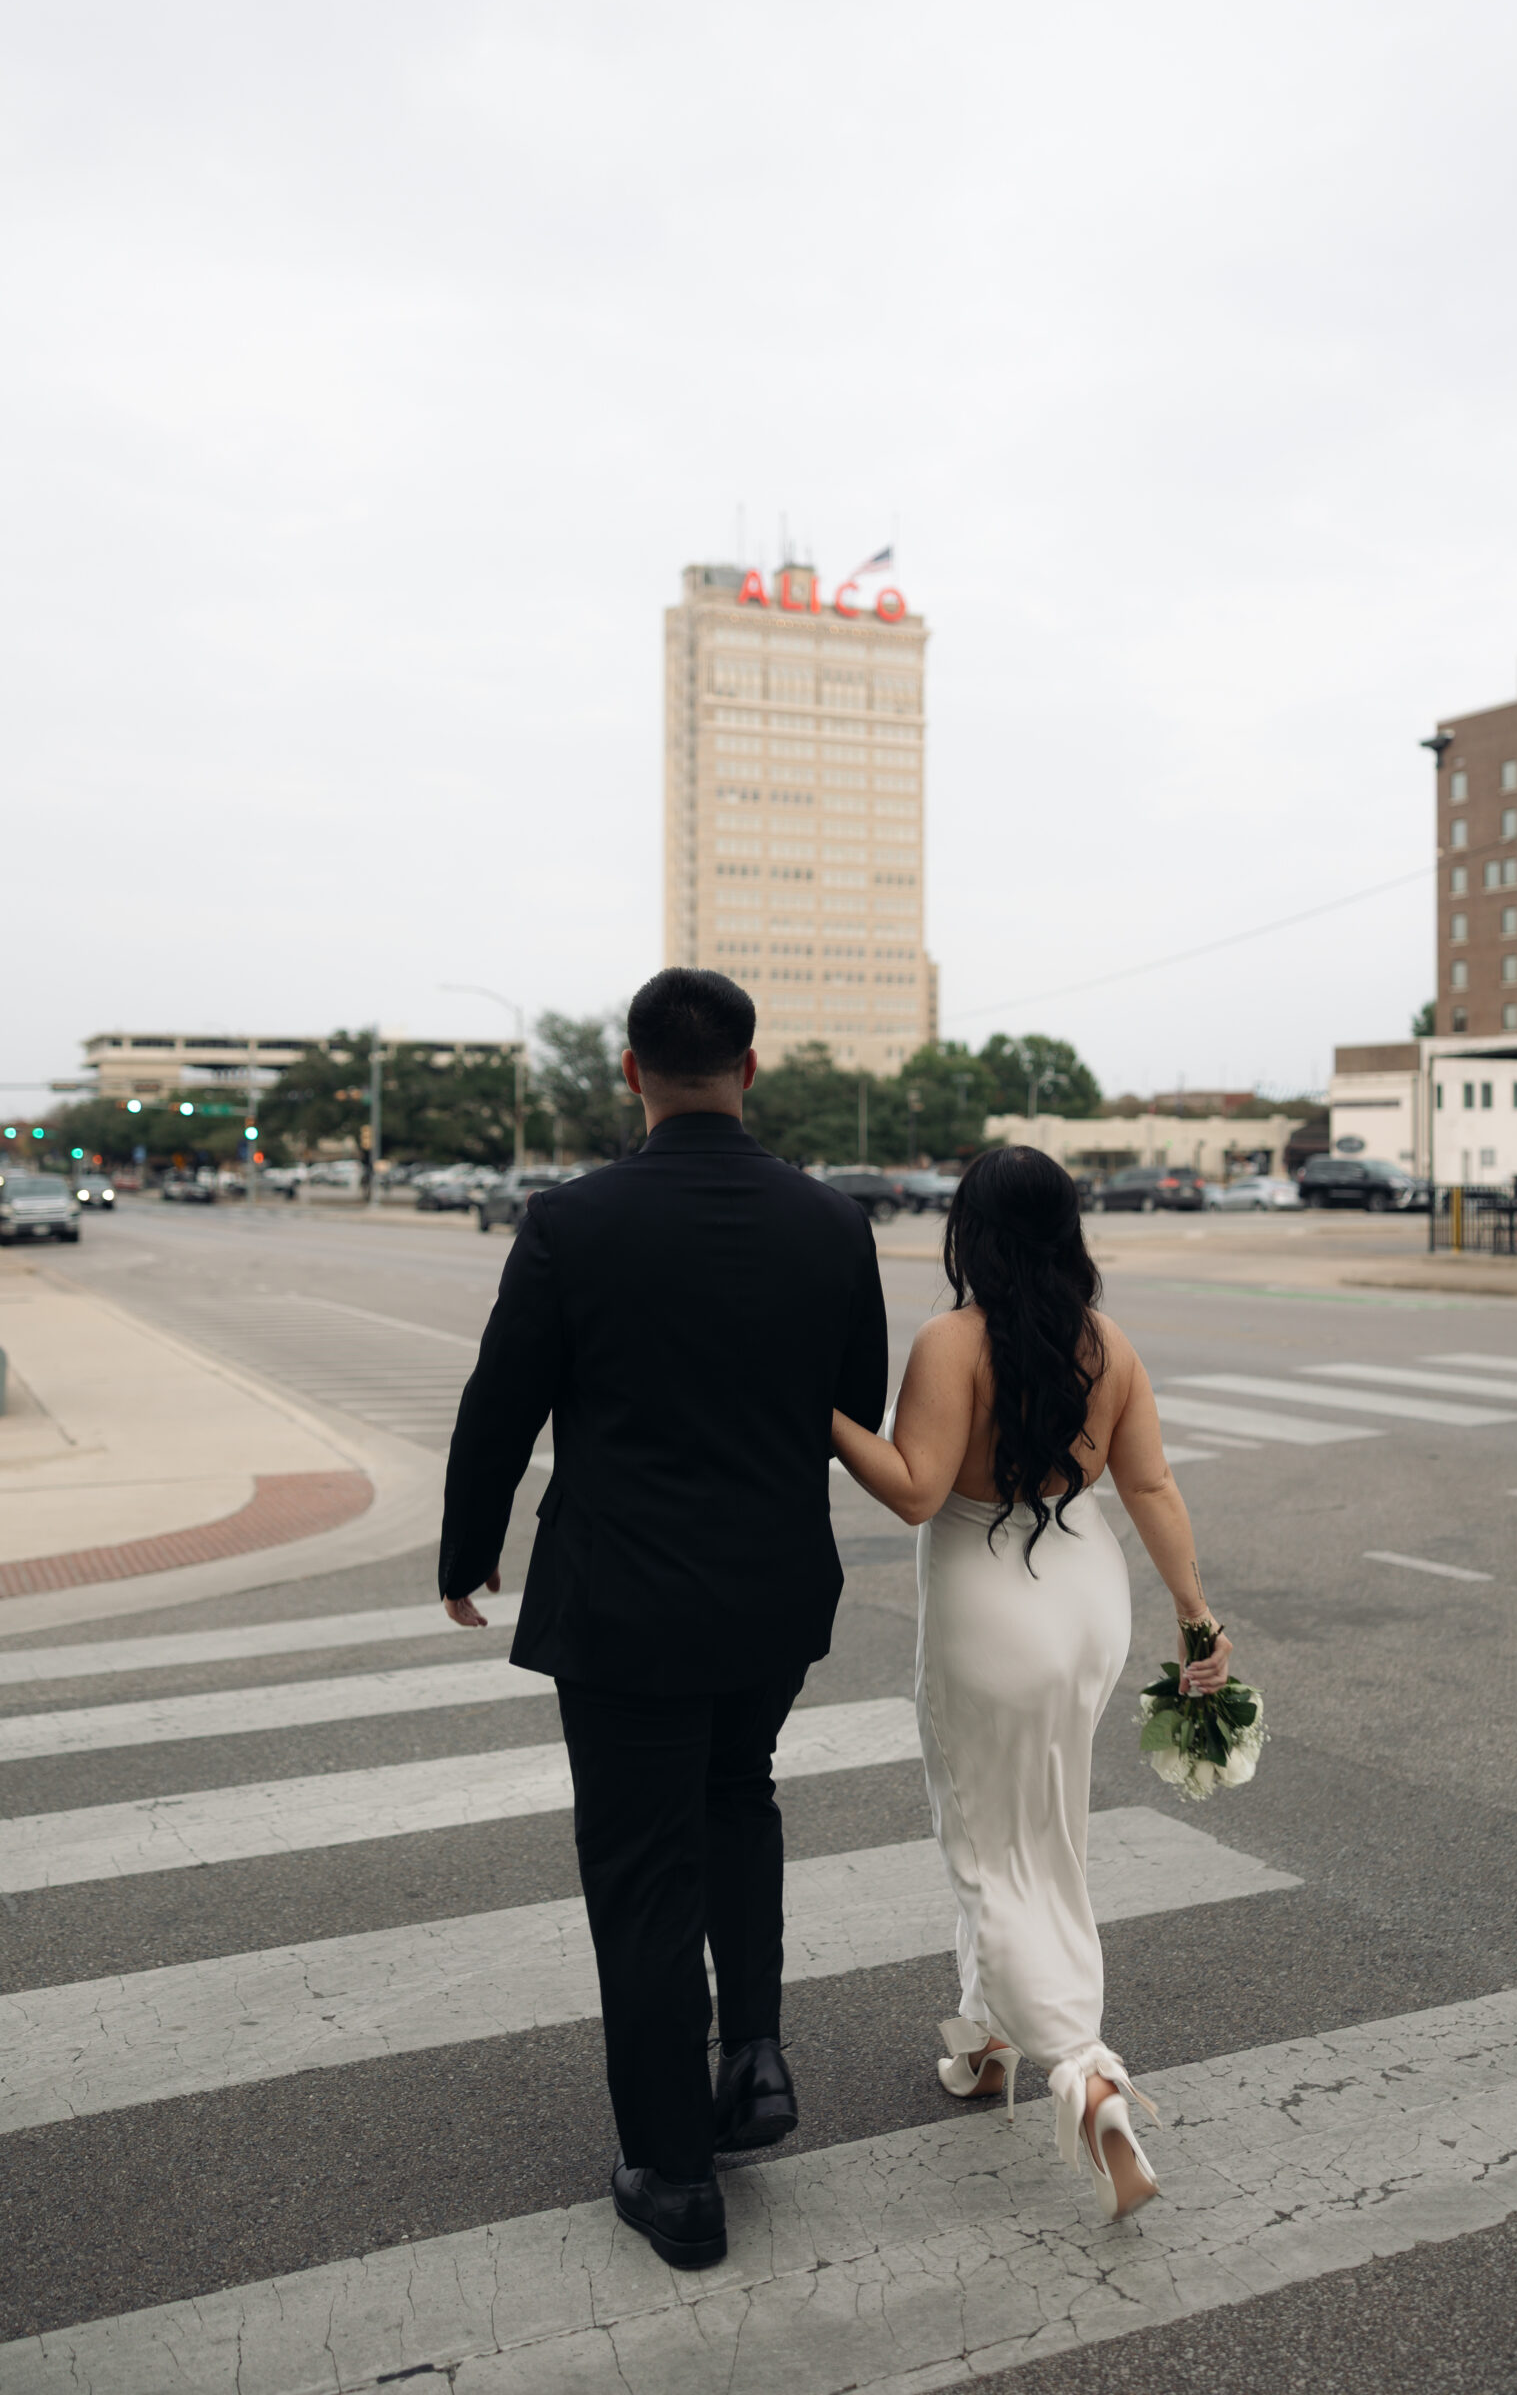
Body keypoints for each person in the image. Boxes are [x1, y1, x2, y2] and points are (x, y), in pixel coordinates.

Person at [438, 969, 888, 2271]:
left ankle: (673, 2173)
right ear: (750, 1071)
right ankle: (750, 2057)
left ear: (628, 1072)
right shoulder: (829, 1222)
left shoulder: (570, 1223)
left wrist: (469, 1555)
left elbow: (499, 1405)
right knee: (736, 1795)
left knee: (641, 1867)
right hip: (770, 1587)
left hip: (624, 1595)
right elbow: (848, 1397)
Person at [829, 1143, 1231, 2221]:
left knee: (984, 1842)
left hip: (989, 1604)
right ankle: (985, 2046)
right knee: (1038, 1828)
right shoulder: (1110, 1346)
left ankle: (1085, 2072)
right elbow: (1147, 1481)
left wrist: (822, 1416)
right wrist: (1198, 1616)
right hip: (1087, 1599)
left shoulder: (952, 1341)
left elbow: (916, 1492)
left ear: (971, 1231)